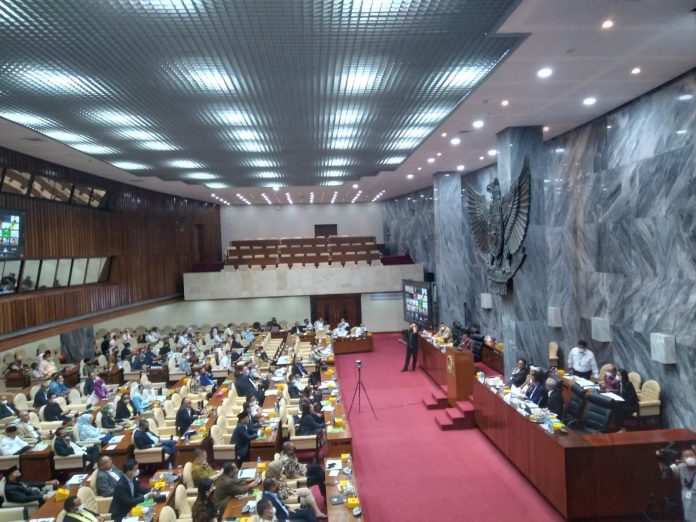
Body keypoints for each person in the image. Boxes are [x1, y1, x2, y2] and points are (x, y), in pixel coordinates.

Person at [673, 448, 696, 522]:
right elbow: (666, 474)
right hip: (687, 496)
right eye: (686, 456)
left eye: (691, 455)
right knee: (688, 516)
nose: (689, 458)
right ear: (681, 459)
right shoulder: (681, 467)